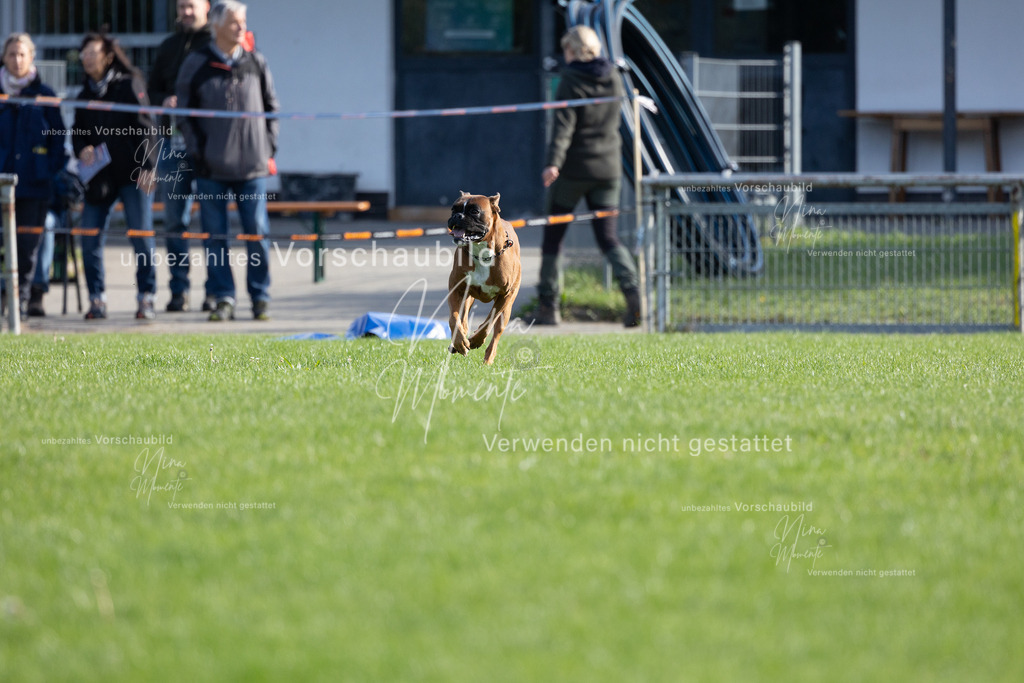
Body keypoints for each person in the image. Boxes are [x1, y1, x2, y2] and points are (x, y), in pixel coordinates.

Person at [176, 0, 278, 321]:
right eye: (234, 22)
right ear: (217, 26)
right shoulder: (197, 63)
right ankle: (223, 298)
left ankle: (260, 297)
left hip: (252, 168)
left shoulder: (255, 62)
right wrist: (199, 153)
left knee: (257, 233)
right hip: (211, 169)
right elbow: (183, 113)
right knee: (215, 236)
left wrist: (269, 146)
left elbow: (273, 108)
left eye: (242, 21)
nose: (240, 28)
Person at [536, 25, 641, 327]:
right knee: (608, 237)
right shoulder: (615, 77)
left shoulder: (570, 79)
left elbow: (563, 127)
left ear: (575, 51)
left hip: (574, 170)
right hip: (608, 169)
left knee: (553, 237)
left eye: (566, 50)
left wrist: (553, 163)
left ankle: (547, 306)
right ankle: (633, 294)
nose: (564, 56)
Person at [72, 33, 159, 320]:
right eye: (83, 54)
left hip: (134, 174)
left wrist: (148, 166)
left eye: (92, 53)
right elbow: (78, 131)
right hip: (100, 178)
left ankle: (146, 297)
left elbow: (147, 126)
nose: (87, 58)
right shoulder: (84, 93)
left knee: (141, 236)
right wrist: (81, 148)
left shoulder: (127, 84)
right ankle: (97, 300)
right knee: (88, 237)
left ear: (108, 56)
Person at [148, 0, 212, 313]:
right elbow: (151, 90)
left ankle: (215, 292)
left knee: (214, 221)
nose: (185, 12)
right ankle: (179, 290)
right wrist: (165, 99)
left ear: (207, 8)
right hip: (173, 145)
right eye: (181, 6)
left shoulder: (215, 44)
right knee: (175, 221)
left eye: (191, 6)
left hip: (211, 145)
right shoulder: (168, 46)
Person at [0, 33, 67, 317]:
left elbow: (58, 141)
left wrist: (46, 171)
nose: (17, 60)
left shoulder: (46, 95)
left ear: (32, 58)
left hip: (33, 185)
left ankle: (21, 303)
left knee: (27, 249)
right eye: (12, 54)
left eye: (22, 54)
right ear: (4, 57)